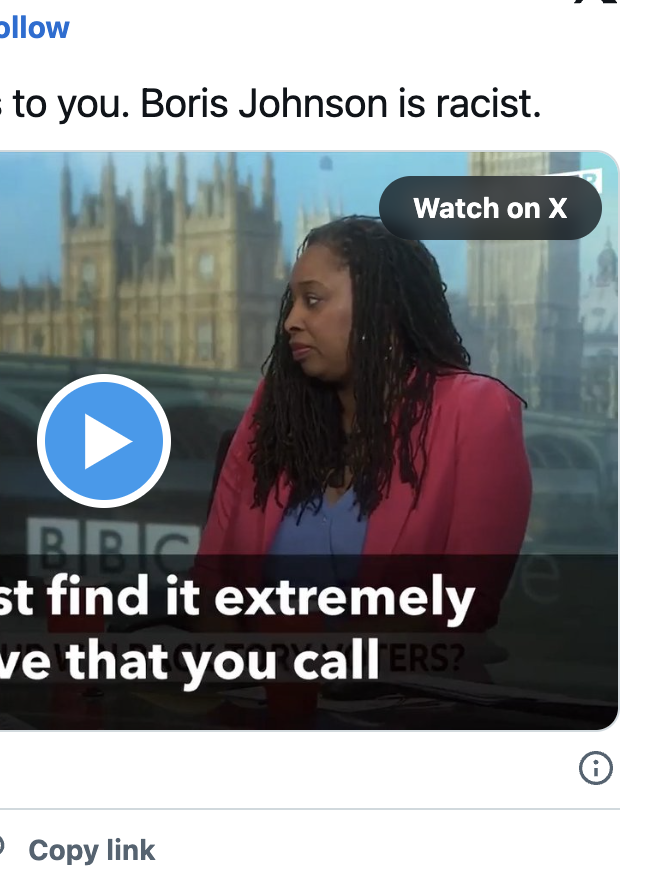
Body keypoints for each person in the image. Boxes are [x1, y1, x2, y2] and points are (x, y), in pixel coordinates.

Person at [193, 215, 532, 634]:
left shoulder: (477, 412)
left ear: (381, 309)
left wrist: (309, 652)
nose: (290, 321)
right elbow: (211, 580)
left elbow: (465, 607)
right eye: (291, 302)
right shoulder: (275, 406)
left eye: (313, 300)